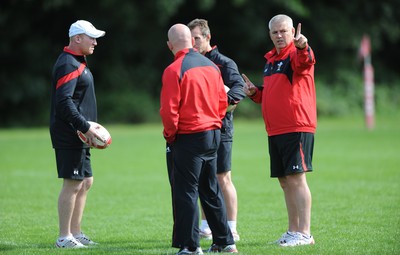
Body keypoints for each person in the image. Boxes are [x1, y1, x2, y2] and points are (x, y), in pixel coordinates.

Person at [160, 23, 238, 254]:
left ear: (169, 45)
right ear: (192, 41)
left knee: (186, 191)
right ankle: (225, 241)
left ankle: (191, 247)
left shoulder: (174, 69)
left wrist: (170, 135)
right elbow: (223, 102)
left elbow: (169, 110)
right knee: (210, 189)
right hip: (213, 135)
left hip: (189, 136)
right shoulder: (212, 66)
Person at [242, 14, 316, 247]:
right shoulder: (271, 60)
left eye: (284, 31)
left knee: (296, 178)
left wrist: (303, 45)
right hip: (275, 130)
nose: (279, 35)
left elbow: (306, 61)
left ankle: (304, 233)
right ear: (270, 35)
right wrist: (255, 92)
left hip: (296, 125)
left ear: (292, 31)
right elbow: (271, 95)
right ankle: (293, 230)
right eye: (275, 32)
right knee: (285, 181)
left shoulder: (296, 54)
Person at [187, 18, 246, 242]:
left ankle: (231, 227)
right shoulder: (190, 62)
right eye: (190, 39)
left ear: (208, 37)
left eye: (197, 39)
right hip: (199, 129)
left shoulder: (224, 63)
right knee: (204, 178)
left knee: (222, 177)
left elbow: (238, 89)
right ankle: (206, 226)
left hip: (221, 128)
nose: (193, 43)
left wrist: (220, 105)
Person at [50, 20, 106, 248]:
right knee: (73, 183)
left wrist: (88, 129)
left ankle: (76, 231)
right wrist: (85, 126)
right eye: (91, 37)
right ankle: (64, 237)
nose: (95, 42)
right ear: (77, 38)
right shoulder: (68, 64)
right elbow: (64, 102)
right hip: (70, 132)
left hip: (81, 133)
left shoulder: (78, 62)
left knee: (85, 182)